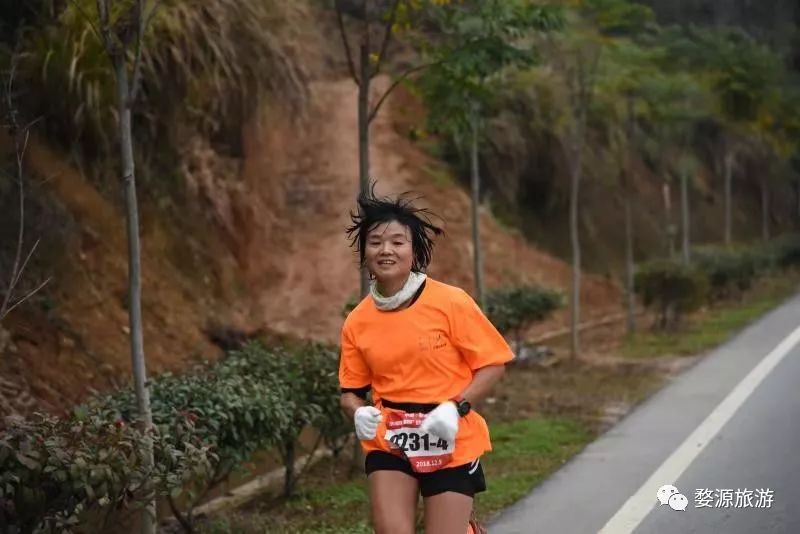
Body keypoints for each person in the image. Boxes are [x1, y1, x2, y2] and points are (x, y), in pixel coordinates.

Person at [339, 185, 513, 534]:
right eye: (375, 242)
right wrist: (358, 412)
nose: (386, 250)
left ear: (414, 251)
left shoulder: (451, 302)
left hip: (449, 435)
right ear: (365, 253)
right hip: (391, 439)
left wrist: (455, 408)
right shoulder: (358, 319)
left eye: (397, 242)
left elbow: (494, 364)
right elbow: (350, 390)